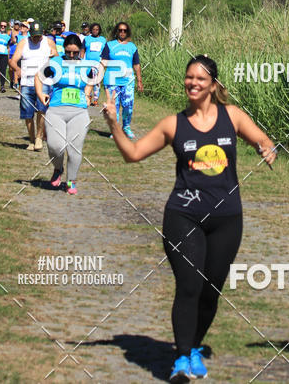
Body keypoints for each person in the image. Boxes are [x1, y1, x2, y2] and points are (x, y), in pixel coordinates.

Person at [103, 55, 276, 382]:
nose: (193, 83)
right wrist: (113, 122)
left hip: (227, 218)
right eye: (189, 78)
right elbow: (133, 154)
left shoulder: (233, 117)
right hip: (183, 215)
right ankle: (181, 359)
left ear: (213, 84)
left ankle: (194, 345)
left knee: (212, 290)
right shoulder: (173, 124)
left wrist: (266, 149)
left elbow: (262, 139)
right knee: (189, 285)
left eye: (200, 78)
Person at [35, 34, 92, 194]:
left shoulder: (86, 65)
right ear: (64, 50)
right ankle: (58, 168)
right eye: (68, 52)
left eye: (75, 53)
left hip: (79, 112)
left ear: (81, 51)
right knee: (55, 146)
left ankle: (71, 180)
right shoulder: (56, 63)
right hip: (56, 110)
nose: (72, 56)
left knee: (75, 148)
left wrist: (87, 94)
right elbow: (38, 77)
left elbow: (91, 81)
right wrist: (41, 95)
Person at [9, 20, 57, 150]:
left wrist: (53, 56)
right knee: (27, 112)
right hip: (27, 82)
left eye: (39, 35)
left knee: (42, 109)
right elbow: (13, 61)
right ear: (29, 33)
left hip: (44, 82)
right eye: (34, 35)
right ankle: (31, 140)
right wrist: (17, 70)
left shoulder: (48, 42)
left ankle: (39, 138)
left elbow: (57, 60)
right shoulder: (23, 43)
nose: (36, 38)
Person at [100, 21, 142, 139]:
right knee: (114, 106)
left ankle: (126, 127)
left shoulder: (132, 47)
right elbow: (103, 62)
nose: (122, 32)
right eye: (120, 30)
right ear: (116, 32)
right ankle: (115, 129)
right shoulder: (109, 45)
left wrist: (139, 80)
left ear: (127, 32)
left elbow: (136, 64)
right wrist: (98, 77)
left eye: (124, 30)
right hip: (112, 80)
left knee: (128, 105)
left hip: (127, 81)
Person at [82, 22, 106, 106]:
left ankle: (96, 99)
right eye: (93, 29)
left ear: (99, 31)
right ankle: (88, 97)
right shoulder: (87, 39)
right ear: (91, 30)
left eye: (97, 30)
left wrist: (103, 63)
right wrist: (81, 60)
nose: (95, 31)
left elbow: (105, 52)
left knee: (97, 82)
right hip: (87, 63)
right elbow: (83, 50)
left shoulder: (103, 40)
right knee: (88, 81)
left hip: (98, 64)